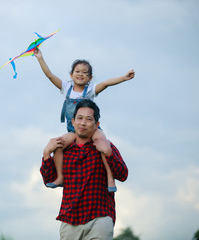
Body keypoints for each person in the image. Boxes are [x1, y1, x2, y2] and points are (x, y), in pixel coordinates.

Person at [34, 48, 134, 191]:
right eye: (78, 71)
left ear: (90, 78)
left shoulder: (91, 90)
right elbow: (49, 75)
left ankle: (110, 178)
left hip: (92, 130)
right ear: (71, 74)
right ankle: (60, 177)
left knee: (102, 142)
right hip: (73, 130)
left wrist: (123, 78)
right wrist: (40, 58)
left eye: (85, 73)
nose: (81, 74)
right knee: (59, 144)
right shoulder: (66, 87)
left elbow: (106, 83)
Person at [40, 99, 128, 240]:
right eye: (79, 118)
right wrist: (46, 154)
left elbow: (123, 175)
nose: (83, 123)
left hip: (100, 216)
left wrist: (109, 153)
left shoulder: (104, 146)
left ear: (96, 124)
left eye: (88, 119)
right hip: (70, 219)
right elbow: (49, 180)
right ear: (73, 121)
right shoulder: (63, 150)